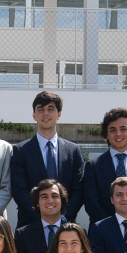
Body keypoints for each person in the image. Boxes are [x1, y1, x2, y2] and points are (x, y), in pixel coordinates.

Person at [10, 91, 86, 226]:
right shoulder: (21, 151)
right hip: (31, 226)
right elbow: (19, 191)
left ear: (59, 114)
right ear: (34, 115)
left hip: (65, 227)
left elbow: (78, 190)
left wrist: (63, 218)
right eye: (41, 109)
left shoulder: (73, 150)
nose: (45, 113)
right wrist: (42, 220)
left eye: (51, 109)